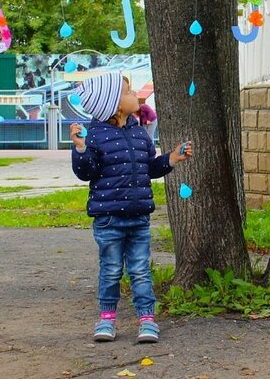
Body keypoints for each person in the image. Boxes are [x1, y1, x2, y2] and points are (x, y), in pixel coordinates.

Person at [69, 72, 193, 344]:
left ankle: (147, 320)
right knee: (111, 269)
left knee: (140, 270)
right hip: (108, 218)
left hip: (139, 217)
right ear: (112, 104)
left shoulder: (139, 132)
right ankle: (107, 319)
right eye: (127, 92)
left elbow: (150, 168)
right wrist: (79, 149)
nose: (134, 95)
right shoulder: (95, 135)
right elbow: (86, 172)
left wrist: (172, 158)